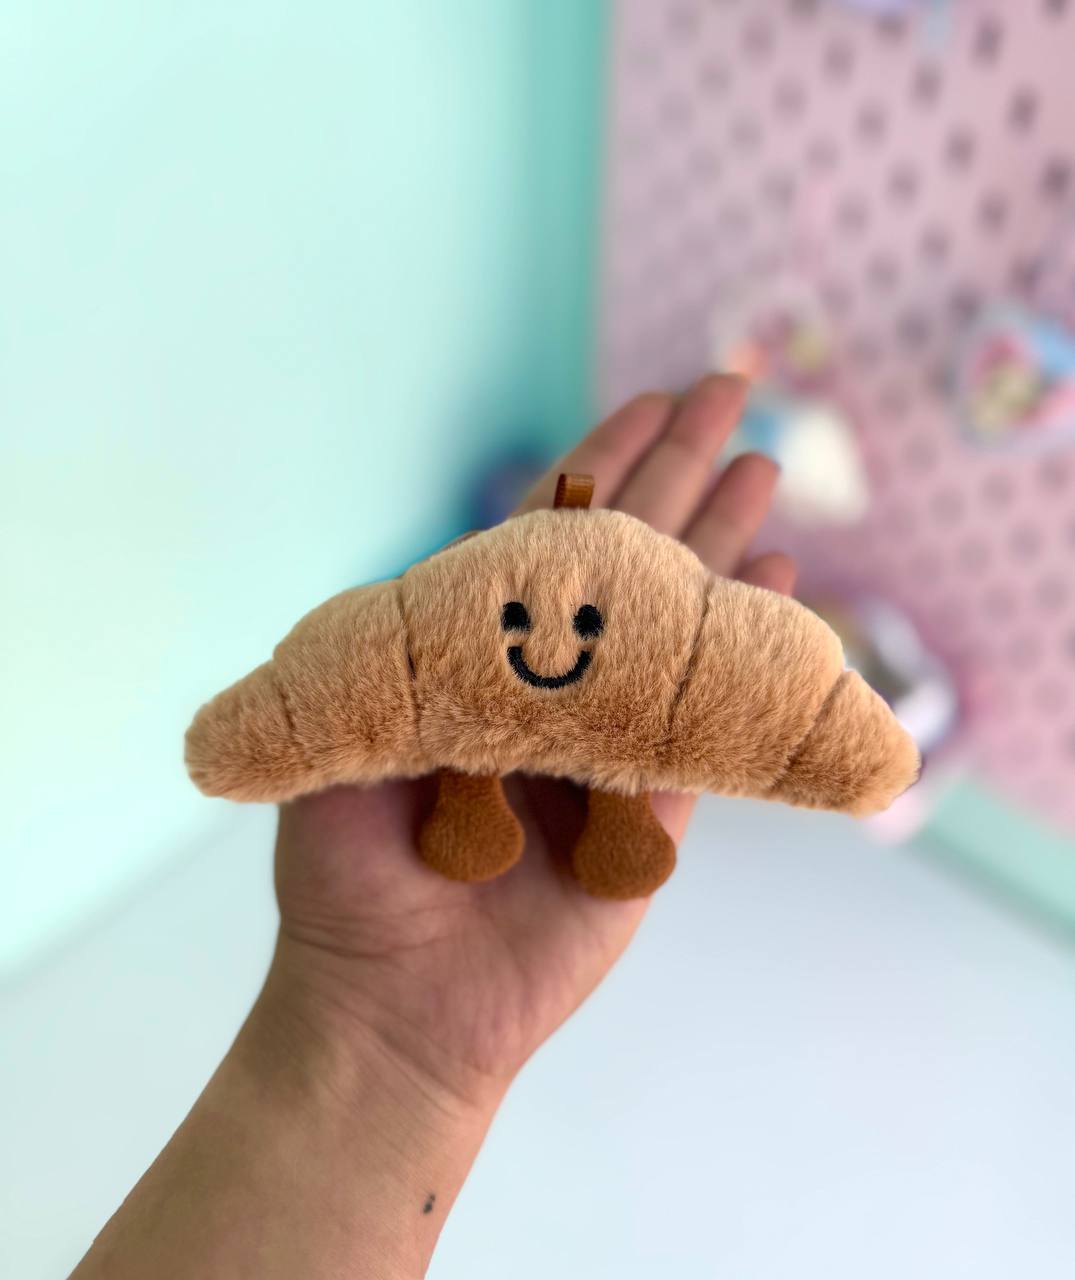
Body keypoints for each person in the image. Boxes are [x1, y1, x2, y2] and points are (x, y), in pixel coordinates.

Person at [72, 375, 793, 1279]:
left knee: (615, 772)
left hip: (591, 741)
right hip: (467, 739)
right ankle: (484, 795)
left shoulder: (643, 667)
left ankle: (592, 801)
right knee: (476, 758)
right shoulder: (440, 656)